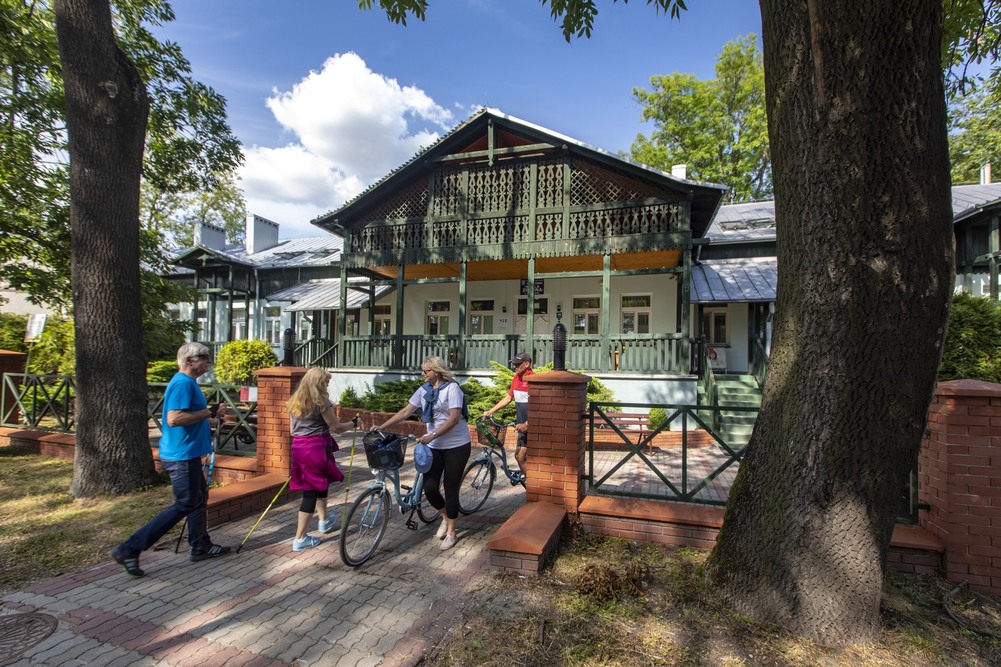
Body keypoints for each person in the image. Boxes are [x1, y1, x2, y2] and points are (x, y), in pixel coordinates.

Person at [110, 342, 232, 577]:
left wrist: (212, 421)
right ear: (190, 361)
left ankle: (201, 546)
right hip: (181, 455)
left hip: (188, 452)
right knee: (185, 503)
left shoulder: (189, 383)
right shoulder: (182, 384)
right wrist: (209, 412)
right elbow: (175, 419)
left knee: (197, 499)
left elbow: (187, 418)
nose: (209, 360)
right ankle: (129, 549)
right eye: (204, 357)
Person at [378, 355, 470, 551]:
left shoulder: (452, 389)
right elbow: (405, 412)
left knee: (451, 488)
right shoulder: (424, 390)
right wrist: (382, 426)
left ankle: (452, 532)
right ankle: (445, 517)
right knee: (429, 488)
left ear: (436, 371)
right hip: (434, 446)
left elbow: (454, 419)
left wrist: (432, 434)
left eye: (425, 371)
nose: (422, 374)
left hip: (457, 445)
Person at [286, 367, 359, 551]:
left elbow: (291, 431)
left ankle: (323, 520)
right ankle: (300, 538)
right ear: (318, 383)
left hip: (299, 447)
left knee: (321, 482)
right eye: (326, 381)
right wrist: (354, 423)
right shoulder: (321, 402)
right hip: (316, 448)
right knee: (310, 491)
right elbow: (336, 427)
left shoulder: (295, 402)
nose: (327, 384)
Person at [483, 351, 533, 480]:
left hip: (532, 426)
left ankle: (534, 487)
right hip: (521, 426)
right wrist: (491, 411)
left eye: (518, 364)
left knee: (521, 456)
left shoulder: (533, 380)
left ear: (527, 364)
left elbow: (540, 407)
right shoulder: (516, 378)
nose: (514, 367)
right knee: (518, 456)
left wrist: (527, 424)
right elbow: (508, 398)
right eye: (514, 364)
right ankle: (531, 483)